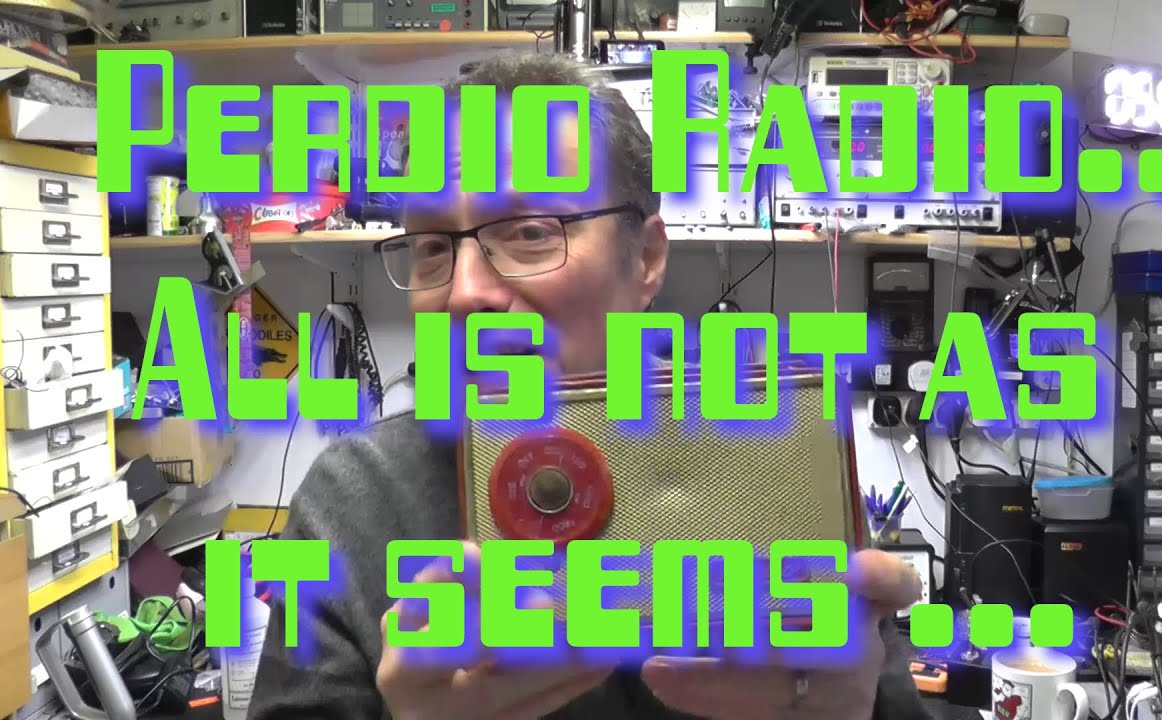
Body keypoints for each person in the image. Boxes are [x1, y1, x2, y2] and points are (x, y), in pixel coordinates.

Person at [247, 52, 933, 720]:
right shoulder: (353, 498)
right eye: (432, 248)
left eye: (529, 232)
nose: (463, 294)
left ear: (647, 259)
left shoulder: (780, 462)